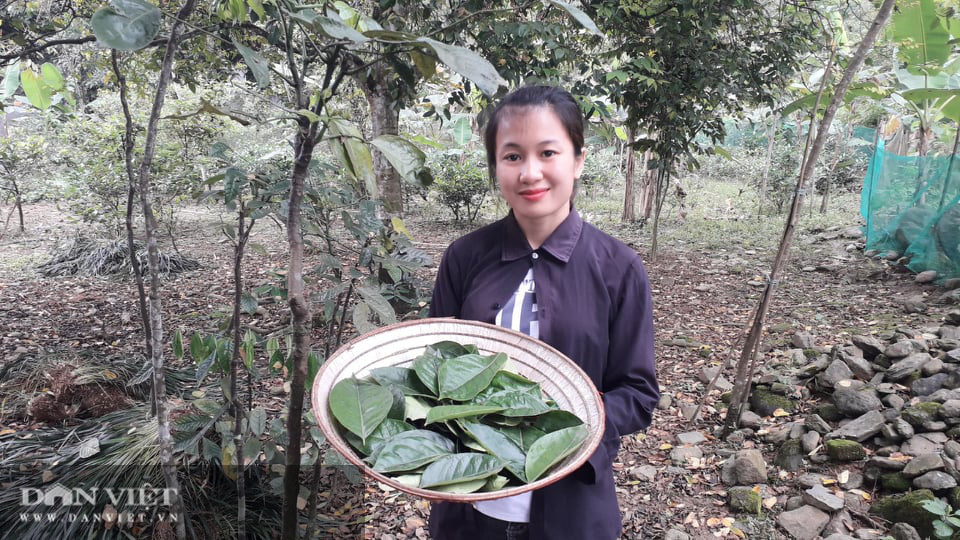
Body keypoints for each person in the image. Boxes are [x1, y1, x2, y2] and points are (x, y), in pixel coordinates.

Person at [427, 85, 660, 540]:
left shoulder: (619, 268)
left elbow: (637, 392)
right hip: (469, 511)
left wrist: (558, 425)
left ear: (578, 159)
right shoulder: (464, 256)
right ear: (496, 165)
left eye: (548, 152)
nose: (530, 172)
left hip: (573, 510)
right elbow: (433, 365)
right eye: (512, 156)